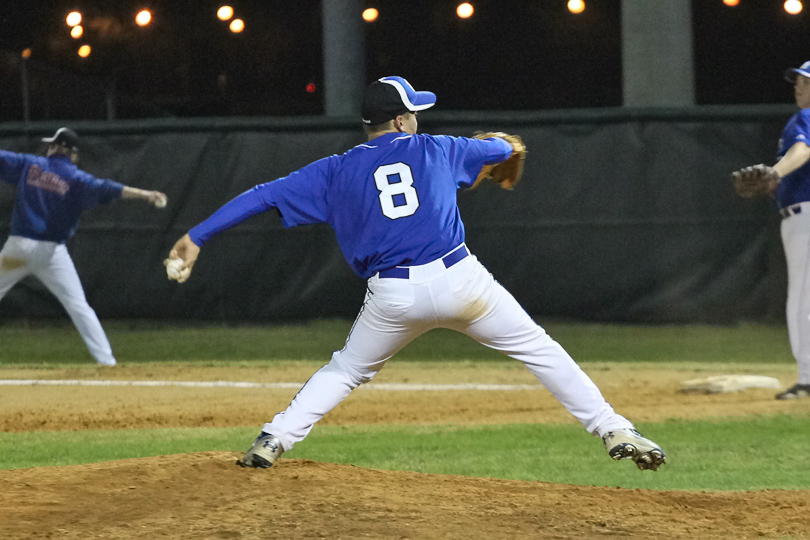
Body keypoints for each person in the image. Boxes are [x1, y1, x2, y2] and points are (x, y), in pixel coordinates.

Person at [168, 76, 666, 471]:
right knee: (539, 349)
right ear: (403, 120)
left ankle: (274, 437)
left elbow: (260, 196)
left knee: (345, 371)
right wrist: (503, 147)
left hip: (393, 296)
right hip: (461, 282)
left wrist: (197, 236)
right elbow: (501, 150)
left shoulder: (334, 170)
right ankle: (612, 428)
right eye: (415, 113)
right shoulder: (437, 148)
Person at [0, 127, 167, 366]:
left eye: (52, 145)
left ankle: (107, 361)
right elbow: (109, 188)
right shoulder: (77, 179)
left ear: (57, 148)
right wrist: (144, 194)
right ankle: (107, 362)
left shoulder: (29, 164)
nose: (49, 148)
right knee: (78, 306)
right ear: (73, 155)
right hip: (52, 254)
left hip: (19, 249)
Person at [757, 61, 810, 399]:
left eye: (805, 82)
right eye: (798, 81)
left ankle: (807, 378)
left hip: (805, 217)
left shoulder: (805, 118)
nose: (798, 86)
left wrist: (775, 173)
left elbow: (802, 149)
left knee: (802, 300)